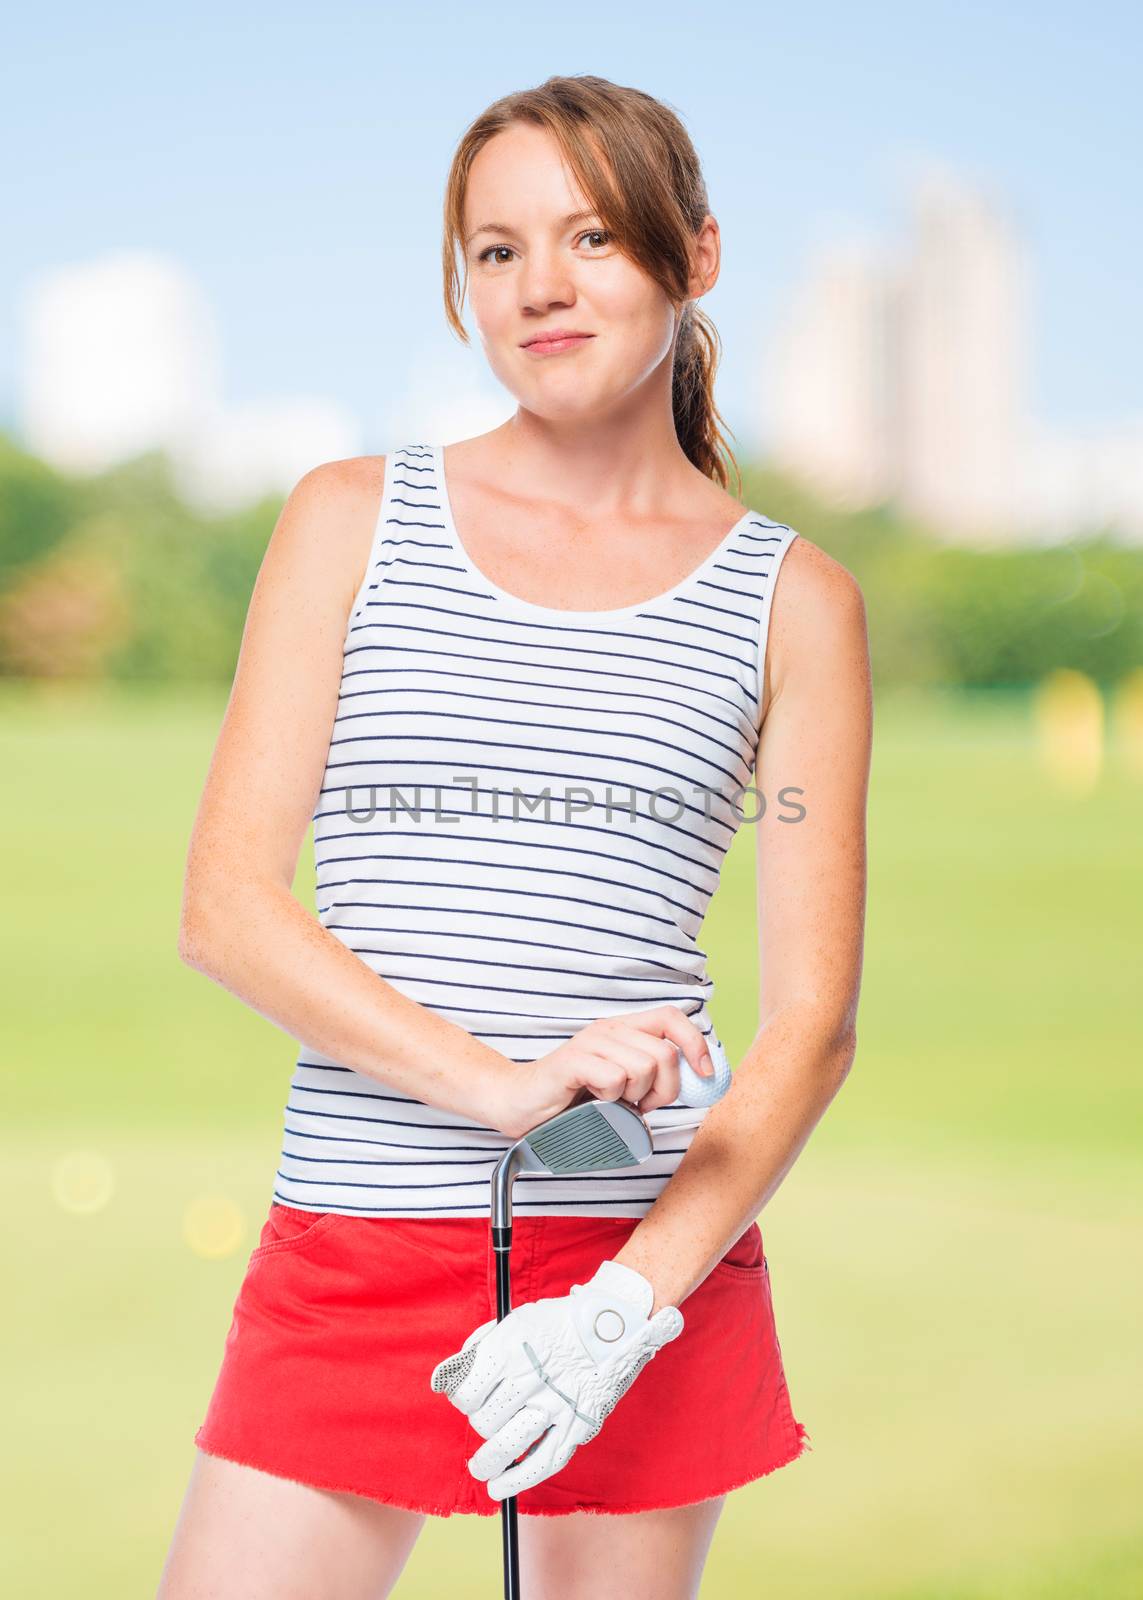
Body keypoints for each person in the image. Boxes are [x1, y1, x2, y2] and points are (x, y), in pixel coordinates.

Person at [157, 72, 871, 1600]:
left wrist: (622, 1311)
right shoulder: (349, 517)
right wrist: (499, 1086)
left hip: (642, 1267)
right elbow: (227, 907)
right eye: (495, 250)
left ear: (697, 253)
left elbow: (810, 1025)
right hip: (356, 1238)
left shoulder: (794, 603)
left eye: (593, 237)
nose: (540, 286)